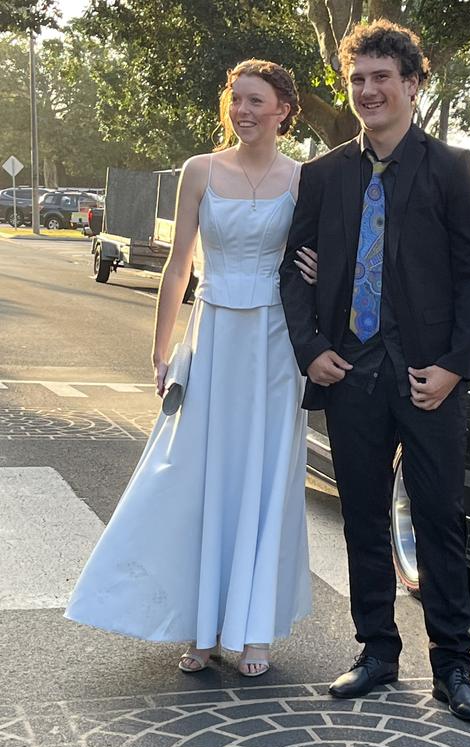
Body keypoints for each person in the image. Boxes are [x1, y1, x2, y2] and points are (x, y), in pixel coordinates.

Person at [66, 59, 317, 677]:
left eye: (257, 101)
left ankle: (254, 631)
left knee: (264, 477)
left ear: (283, 110)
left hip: (276, 344)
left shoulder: (305, 179)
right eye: (236, 101)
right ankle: (199, 627)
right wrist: (161, 351)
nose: (244, 112)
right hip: (211, 337)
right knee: (198, 473)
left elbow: (315, 257)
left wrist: (315, 271)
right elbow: (179, 264)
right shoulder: (199, 171)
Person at [280, 20, 470, 722]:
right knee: (364, 521)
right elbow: (292, 271)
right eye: (359, 79)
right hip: (351, 374)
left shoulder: (451, 168)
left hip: (428, 378)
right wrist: (311, 345)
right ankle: (377, 649)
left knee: (439, 519)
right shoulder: (323, 175)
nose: (369, 90)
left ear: (412, 85)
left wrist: (456, 369)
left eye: (383, 78)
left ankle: (454, 666)